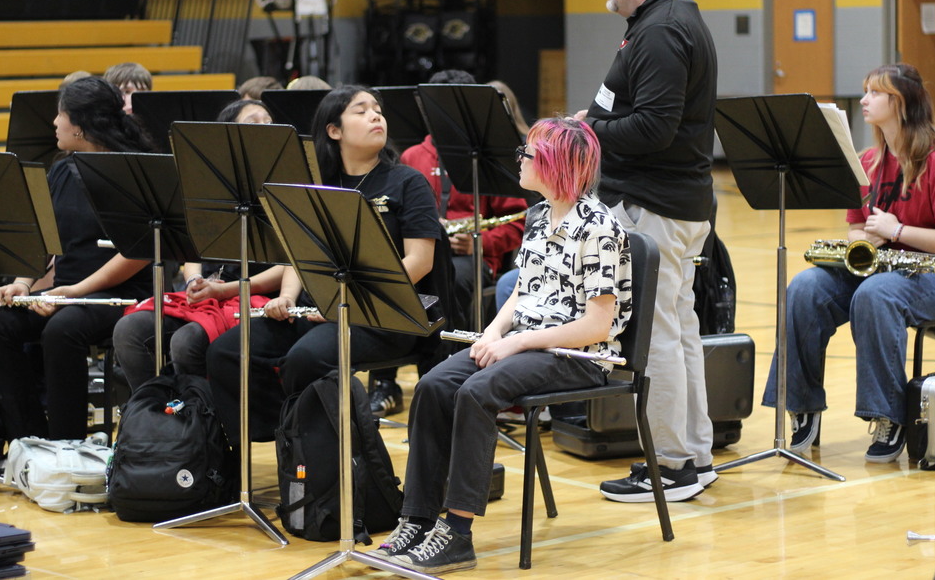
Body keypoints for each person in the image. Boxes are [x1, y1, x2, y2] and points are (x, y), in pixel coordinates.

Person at [372, 118, 631, 574]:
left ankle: (457, 534)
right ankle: (416, 519)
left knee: (476, 392)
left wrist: (517, 343)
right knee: (433, 385)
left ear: (555, 165)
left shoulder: (600, 227)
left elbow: (597, 323)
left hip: (579, 357)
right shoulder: (537, 215)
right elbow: (522, 291)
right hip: (527, 343)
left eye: (528, 155)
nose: (519, 161)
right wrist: (494, 331)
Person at [204, 85, 448, 445]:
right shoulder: (315, 185)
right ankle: (284, 435)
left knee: (305, 358)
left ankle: (312, 445)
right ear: (334, 131)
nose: (375, 115)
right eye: (361, 110)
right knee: (226, 352)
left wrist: (340, 301)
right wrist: (286, 297)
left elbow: (420, 262)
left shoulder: (407, 182)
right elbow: (299, 258)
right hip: (320, 308)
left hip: (386, 312)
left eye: (377, 109)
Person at [762, 63, 935, 462]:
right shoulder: (868, 162)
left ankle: (889, 415)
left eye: (874, 93)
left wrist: (896, 232)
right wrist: (869, 238)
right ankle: (803, 406)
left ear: (901, 104)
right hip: (891, 267)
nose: (863, 100)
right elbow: (856, 230)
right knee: (806, 288)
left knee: (877, 295)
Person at [573, 0, 718, 502]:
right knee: (679, 330)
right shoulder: (663, 22)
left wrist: (585, 131)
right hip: (672, 204)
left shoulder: (661, 30)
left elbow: (654, 129)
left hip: (654, 207)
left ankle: (673, 465)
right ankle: (694, 456)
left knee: (656, 335)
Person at [0, 77, 155, 441]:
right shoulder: (61, 168)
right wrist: (23, 284)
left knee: (62, 329)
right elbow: (45, 239)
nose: (54, 122)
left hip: (120, 294)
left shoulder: (133, 169)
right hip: (68, 294)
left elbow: (140, 251)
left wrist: (74, 292)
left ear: (81, 125)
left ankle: (66, 445)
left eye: (61, 114)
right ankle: (30, 441)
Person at [376, 70, 526, 418]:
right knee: (389, 278)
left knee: (451, 281)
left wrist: (479, 243)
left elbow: (517, 224)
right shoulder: (413, 155)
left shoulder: (485, 155)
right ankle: (386, 383)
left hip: (471, 258)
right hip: (422, 252)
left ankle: (447, 375)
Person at [112, 99, 281, 392]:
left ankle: (201, 426)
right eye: (255, 122)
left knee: (186, 341)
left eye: (269, 121)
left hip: (260, 298)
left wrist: (226, 290)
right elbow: (193, 249)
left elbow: (290, 267)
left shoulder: (285, 186)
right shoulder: (209, 187)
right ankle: (154, 417)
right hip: (211, 296)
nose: (266, 128)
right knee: (129, 330)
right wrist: (193, 280)